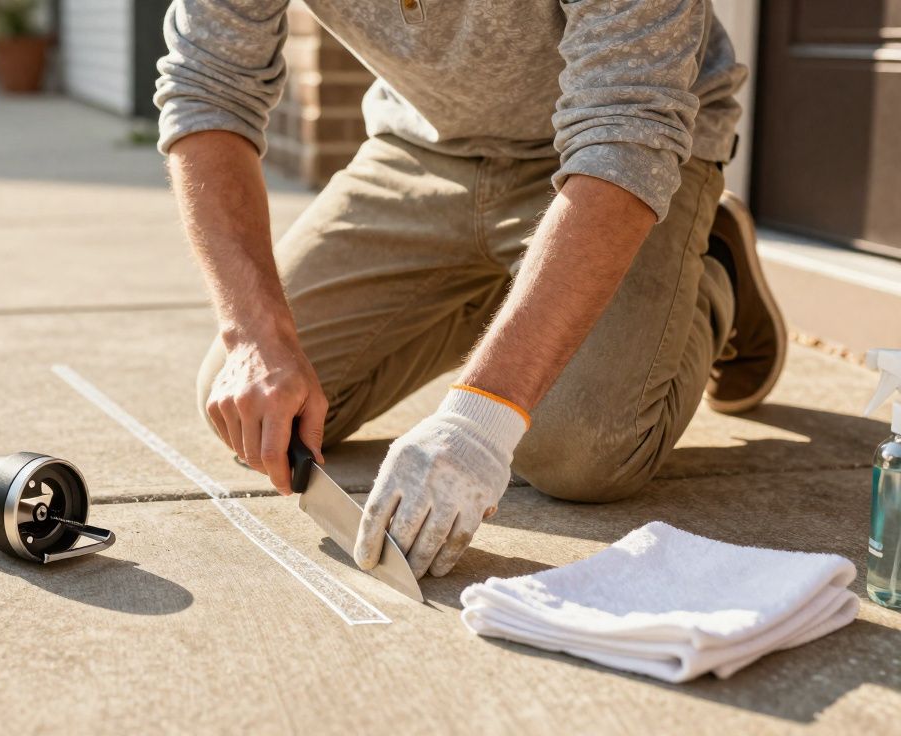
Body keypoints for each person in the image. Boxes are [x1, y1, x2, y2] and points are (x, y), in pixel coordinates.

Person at [154, 1, 785, 579]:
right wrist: (254, 338)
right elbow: (207, 87)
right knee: (262, 410)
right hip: (425, 148)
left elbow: (628, 129)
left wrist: (481, 419)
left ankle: (711, 266)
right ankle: (523, 290)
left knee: (581, 452)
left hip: (621, 153)